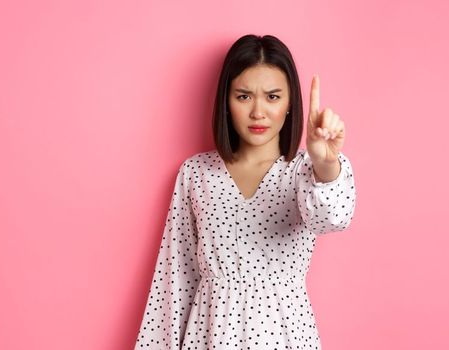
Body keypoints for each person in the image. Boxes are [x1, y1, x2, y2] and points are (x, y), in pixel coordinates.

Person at [134, 34, 357, 350]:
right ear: (226, 100)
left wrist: (325, 163)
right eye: (243, 97)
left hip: (285, 336)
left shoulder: (307, 170)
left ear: (291, 102)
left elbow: (332, 219)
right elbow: (175, 279)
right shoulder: (196, 173)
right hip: (209, 336)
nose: (258, 112)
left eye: (273, 97)